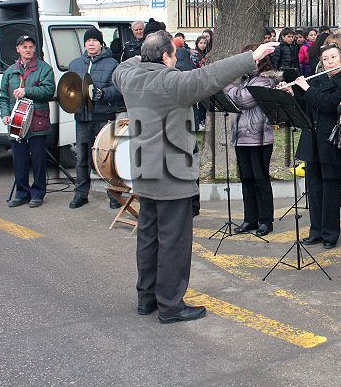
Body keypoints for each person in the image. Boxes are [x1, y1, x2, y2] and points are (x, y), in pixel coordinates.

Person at [112, 32, 277, 323]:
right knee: (174, 242)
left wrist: (145, 54)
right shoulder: (170, 82)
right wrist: (251, 57)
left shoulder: (129, 77)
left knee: (148, 237)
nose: (176, 60)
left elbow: (122, 66)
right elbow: (210, 76)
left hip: (143, 172)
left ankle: (146, 298)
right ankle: (171, 306)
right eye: (173, 55)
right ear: (166, 58)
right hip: (172, 175)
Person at [286, 43, 341, 248]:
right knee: (314, 189)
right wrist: (293, 93)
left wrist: (305, 88)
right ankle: (315, 231)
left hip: (331, 142)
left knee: (330, 190)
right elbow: (308, 105)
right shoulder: (319, 80)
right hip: (312, 140)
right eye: (325, 59)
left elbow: (328, 103)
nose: (329, 62)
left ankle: (330, 234)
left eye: (333, 58)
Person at [224, 46, 280, 237]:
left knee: (260, 179)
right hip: (241, 138)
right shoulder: (244, 80)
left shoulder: (265, 80)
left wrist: (227, 85)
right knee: (246, 179)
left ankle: (266, 220)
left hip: (259, 138)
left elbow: (243, 100)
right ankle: (250, 219)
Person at [67, 26, 122, 209]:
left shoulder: (112, 63)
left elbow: (117, 90)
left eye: (95, 40)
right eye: (88, 41)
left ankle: (114, 194)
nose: (91, 43)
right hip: (82, 118)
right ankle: (81, 194)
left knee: (106, 157)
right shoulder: (75, 64)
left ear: (101, 43)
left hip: (103, 117)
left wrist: (102, 94)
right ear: (85, 43)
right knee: (82, 157)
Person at [0, 35, 56, 208]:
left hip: (37, 121)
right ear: (18, 49)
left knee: (39, 160)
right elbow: (3, 97)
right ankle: (22, 193)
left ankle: (38, 193)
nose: (28, 50)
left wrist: (27, 91)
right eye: (24, 47)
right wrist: (5, 115)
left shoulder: (44, 68)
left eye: (31, 47)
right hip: (16, 122)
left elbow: (48, 91)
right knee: (19, 160)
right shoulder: (10, 71)